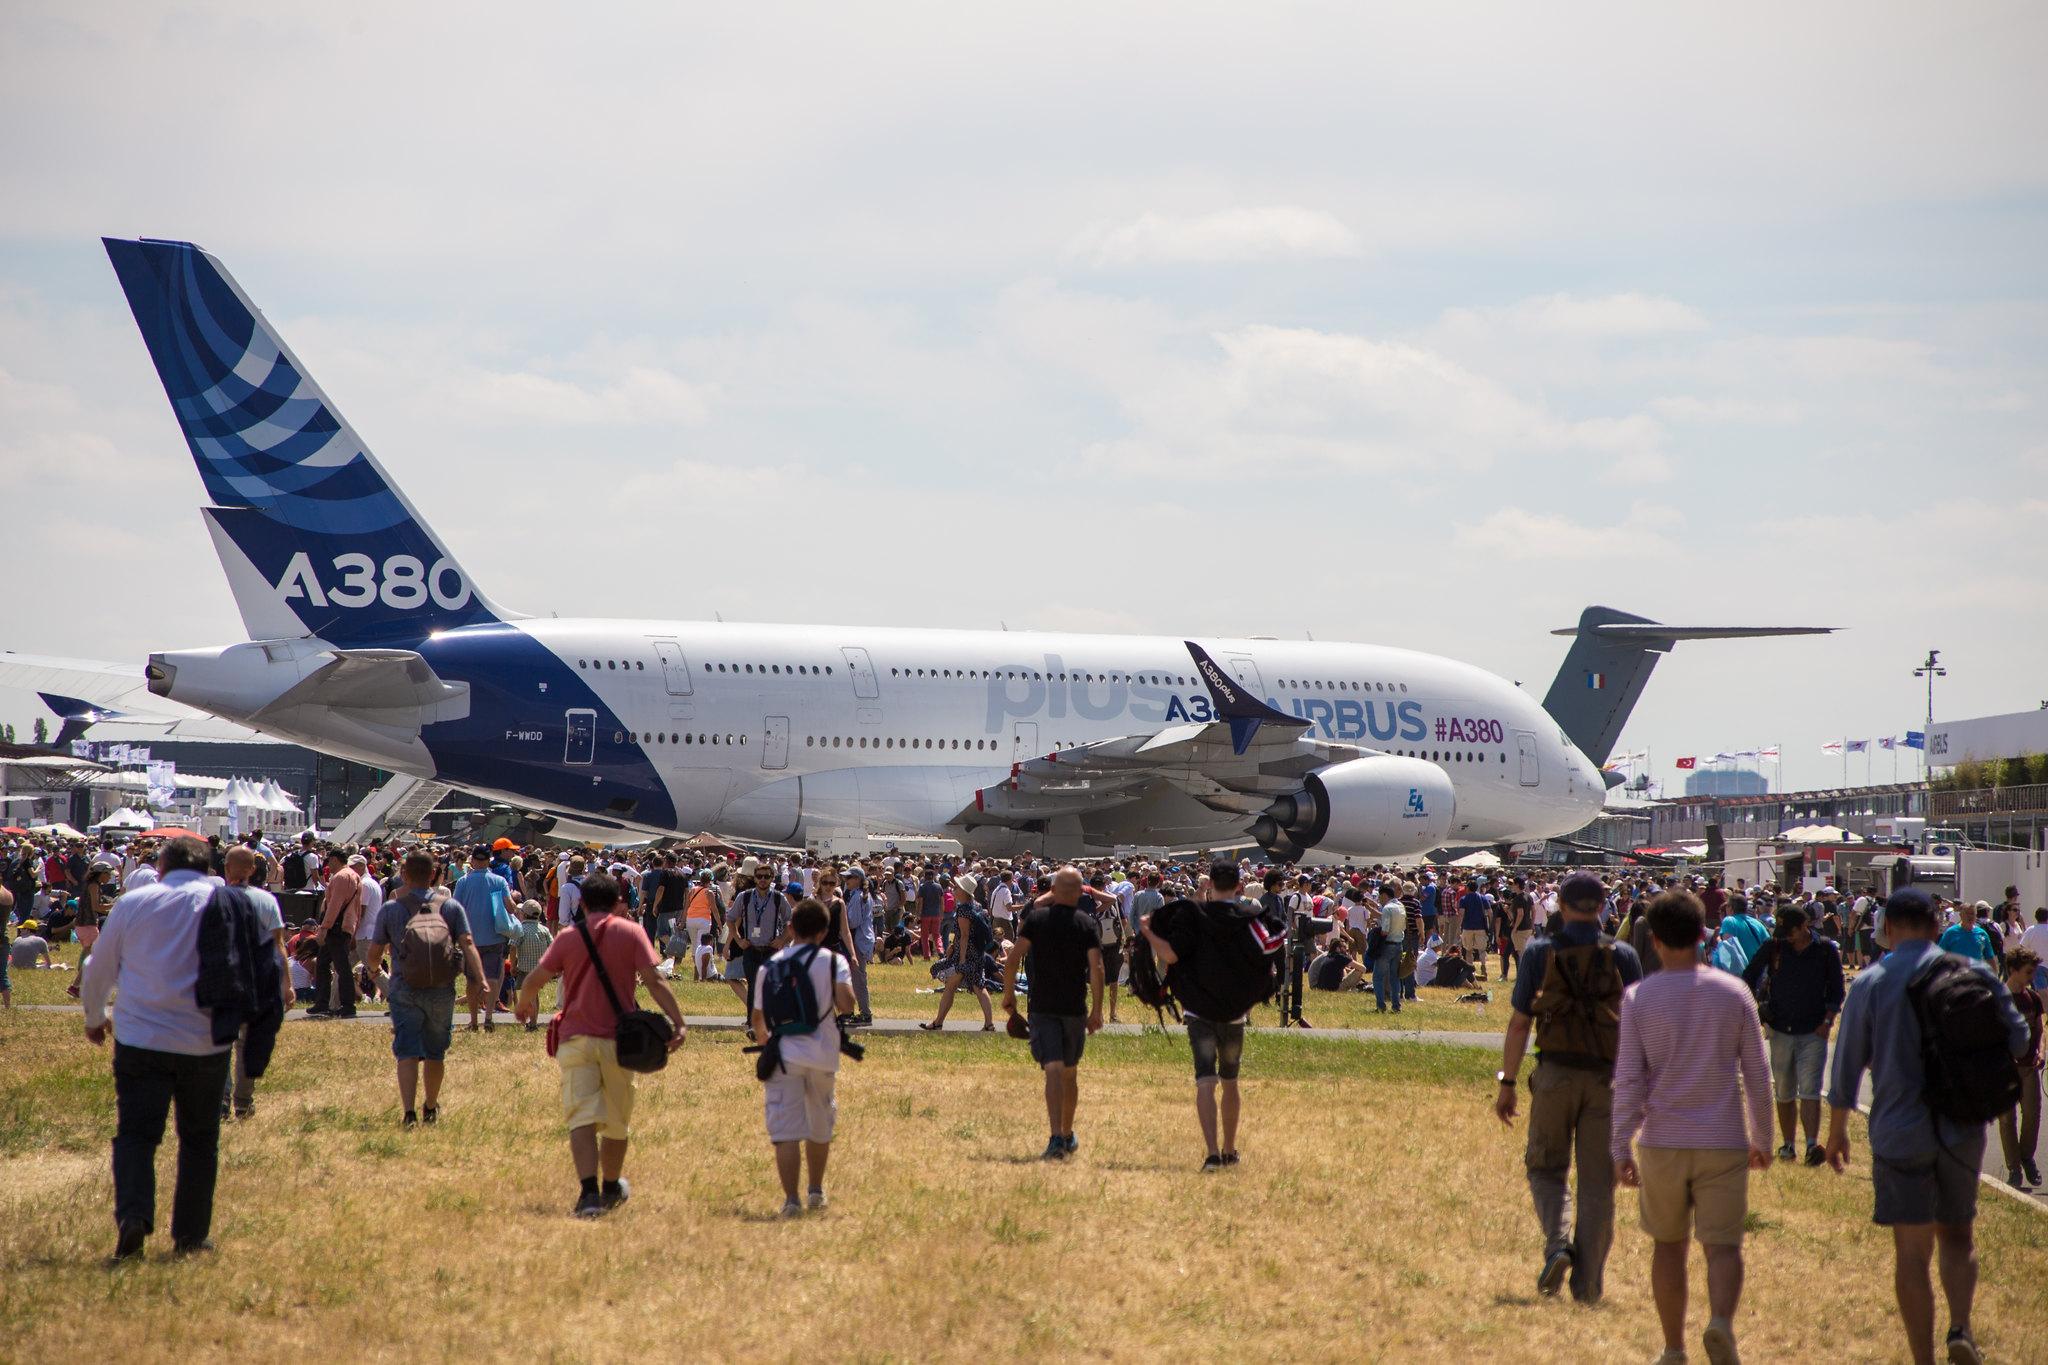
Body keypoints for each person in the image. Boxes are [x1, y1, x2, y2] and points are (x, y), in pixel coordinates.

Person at [1825, 889, 2029, 1365]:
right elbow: (2018, 1037)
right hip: (1961, 1126)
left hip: (1899, 1130)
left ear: (1888, 929)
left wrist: (1836, 1131)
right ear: (1938, 927)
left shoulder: (1871, 982)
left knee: (1911, 1251)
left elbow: (1846, 1066)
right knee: (1958, 1235)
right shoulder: (1973, 972)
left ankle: (1923, 1359)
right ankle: (1960, 1328)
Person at [1611, 891, 1774, 1365]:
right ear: (1704, 934)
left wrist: (1621, 1144)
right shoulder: (1734, 992)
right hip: (1723, 1138)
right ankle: (1720, 1321)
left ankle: (1673, 1348)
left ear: (1655, 940)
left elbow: (1629, 1079)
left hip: (1663, 1139)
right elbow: (1758, 1075)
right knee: (1722, 1245)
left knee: (1668, 1245)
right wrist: (1762, 1138)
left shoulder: (1640, 996)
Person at [79, 837, 236, 1262]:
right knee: (200, 1139)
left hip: (141, 1038)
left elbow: (97, 967)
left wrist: (95, 1018)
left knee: (136, 1135)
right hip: (206, 1039)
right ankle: (189, 1234)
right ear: (207, 869)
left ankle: (133, 1215)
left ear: (161, 868)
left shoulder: (135, 903)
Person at [1494, 869, 1644, 1304]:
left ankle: (1557, 1243)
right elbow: (1635, 1027)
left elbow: (1521, 1021)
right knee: (1598, 1183)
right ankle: (1589, 1286)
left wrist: (1507, 1083)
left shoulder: (1541, 951)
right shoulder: (1625, 956)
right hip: (1607, 1078)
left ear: (1561, 903)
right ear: (1602, 907)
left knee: (1545, 1167)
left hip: (1555, 1073)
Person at [514, 871, 686, 1217]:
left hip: (576, 1037)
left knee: (581, 1118)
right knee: (616, 1119)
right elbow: (654, 981)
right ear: (618, 902)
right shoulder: (632, 932)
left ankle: (588, 1192)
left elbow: (535, 979)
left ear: (582, 902)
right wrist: (679, 1022)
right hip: (619, 1041)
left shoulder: (568, 937)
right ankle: (610, 1185)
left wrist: (523, 1004)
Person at [1140, 861, 1284, 1170]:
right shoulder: (1247, 921)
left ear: (1209, 885)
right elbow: (1269, 950)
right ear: (1238, 887)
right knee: (1230, 1081)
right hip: (1234, 1012)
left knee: (1205, 1081)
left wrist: (1147, 932)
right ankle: (1230, 1149)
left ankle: (1211, 1154)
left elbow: (1170, 955)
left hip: (1198, 1010)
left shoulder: (1195, 918)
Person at [362, 851, 489, 1127]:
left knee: (407, 1050)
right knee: (435, 1051)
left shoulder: (392, 909)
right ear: (434, 875)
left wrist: (373, 970)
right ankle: (430, 1107)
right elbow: (467, 943)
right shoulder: (450, 906)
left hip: (404, 986)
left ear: (404, 874)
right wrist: (480, 978)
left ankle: (408, 1112)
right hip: (441, 988)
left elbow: (374, 952)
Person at [751, 899, 857, 1217]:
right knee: (819, 1125)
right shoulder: (832, 961)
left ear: (791, 928)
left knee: (785, 1131)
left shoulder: (772, 965)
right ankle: (816, 1190)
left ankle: (790, 1200)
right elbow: (848, 1005)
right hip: (823, 1054)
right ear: (825, 932)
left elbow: (758, 1017)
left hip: (785, 1054)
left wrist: (765, 1041)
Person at [1002, 867, 1106, 1161]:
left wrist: (1009, 995)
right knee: (1069, 1073)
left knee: (1053, 1070)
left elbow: (1012, 961)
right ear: (1080, 893)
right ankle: (1067, 1132)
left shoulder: (1036, 919)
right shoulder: (1086, 923)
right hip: (1073, 1007)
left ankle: (1056, 1137)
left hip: (1043, 1006)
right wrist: (1097, 1010)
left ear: (1054, 891)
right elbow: (1097, 969)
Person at [1740, 901, 1845, 1166]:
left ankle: (1811, 1145)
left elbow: (1836, 990)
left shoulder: (1825, 950)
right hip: (1780, 1029)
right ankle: (1787, 1144)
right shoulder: (1774, 947)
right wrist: (1758, 1010)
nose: (1787, 936)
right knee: (1784, 1090)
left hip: (1814, 1030)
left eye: (1791, 931)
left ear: (1805, 926)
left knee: (1810, 1089)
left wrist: (1828, 1019)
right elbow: (1748, 976)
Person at [220, 847, 291, 1120]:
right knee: (249, 1044)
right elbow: (278, 944)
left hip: (225, 981)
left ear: (226, 868)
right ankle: (243, 1101)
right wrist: (287, 983)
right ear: (253, 870)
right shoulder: (267, 901)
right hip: (258, 982)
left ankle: (222, 1101)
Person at [452, 845, 516, 1033]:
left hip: (470, 938)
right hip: (494, 936)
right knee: (493, 977)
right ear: (489, 860)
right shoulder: (499, 881)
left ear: (472, 860)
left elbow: (456, 908)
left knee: (472, 981)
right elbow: (510, 907)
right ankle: (488, 1016)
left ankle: (473, 1020)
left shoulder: (463, 882)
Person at [1995, 948, 2042, 1189]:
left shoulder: (2032, 998)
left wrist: (2040, 1052)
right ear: (2013, 970)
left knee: (2032, 1115)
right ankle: (2014, 1168)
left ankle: (2026, 1156)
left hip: (2029, 1067)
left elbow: (2039, 1029)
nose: (2031, 977)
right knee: (2007, 1119)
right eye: (2027, 972)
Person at [731, 864, 793, 1027]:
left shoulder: (778, 898)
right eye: (759, 876)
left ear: (772, 878)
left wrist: (782, 940)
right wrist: (738, 939)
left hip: (771, 950)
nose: (763, 880)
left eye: (766, 876)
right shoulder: (744, 897)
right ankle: (753, 1022)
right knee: (753, 986)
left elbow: (791, 921)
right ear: (754, 878)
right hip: (751, 949)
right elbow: (731, 919)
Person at [309, 849, 362, 1019]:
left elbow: (334, 905)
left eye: (328, 861)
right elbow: (357, 908)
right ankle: (323, 1003)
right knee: (324, 964)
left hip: (335, 928)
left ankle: (347, 1005)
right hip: (344, 926)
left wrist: (324, 927)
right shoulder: (354, 875)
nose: (327, 864)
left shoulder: (340, 877)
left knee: (342, 967)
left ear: (334, 859)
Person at [1937, 899, 1997, 966]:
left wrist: (1994, 975)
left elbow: (1990, 958)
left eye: (1973, 914)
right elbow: (1940, 955)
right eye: (1967, 913)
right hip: (1956, 974)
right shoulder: (1951, 933)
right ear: (1961, 915)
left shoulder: (1982, 934)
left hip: (1975, 974)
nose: (1970, 916)